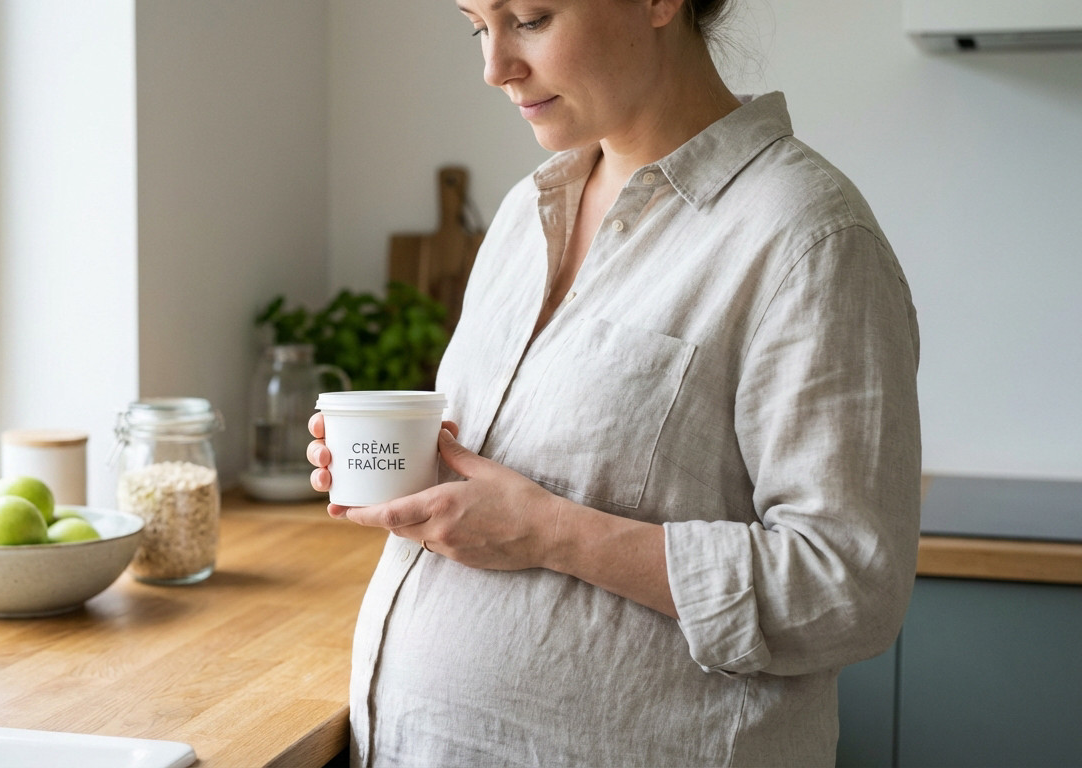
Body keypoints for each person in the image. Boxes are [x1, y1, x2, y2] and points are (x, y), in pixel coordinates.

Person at [307, 0, 922, 764]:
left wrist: (549, 532)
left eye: (529, 18)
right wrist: (415, 471)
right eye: (476, 25)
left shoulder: (807, 239)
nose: (495, 68)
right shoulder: (524, 213)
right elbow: (545, 470)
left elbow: (847, 588)